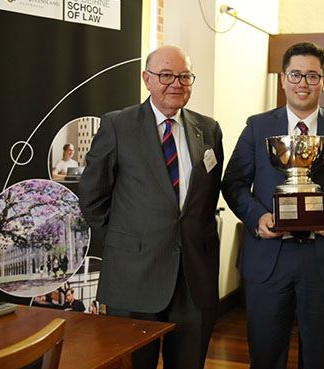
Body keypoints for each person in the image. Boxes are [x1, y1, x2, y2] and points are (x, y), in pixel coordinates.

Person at [222, 41, 324, 369]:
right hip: (268, 258)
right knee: (264, 354)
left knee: (321, 356)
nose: (303, 83)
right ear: (282, 79)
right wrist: (257, 216)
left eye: (312, 76)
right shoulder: (257, 126)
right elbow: (232, 183)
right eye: (295, 75)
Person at [79, 45, 224, 369]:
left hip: (193, 279)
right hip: (133, 277)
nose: (176, 83)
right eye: (166, 75)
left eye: (184, 76)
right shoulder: (117, 126)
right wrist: (125, 244)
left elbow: (207, 197)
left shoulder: (209, 129)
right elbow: (92, 196)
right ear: (147, 79)